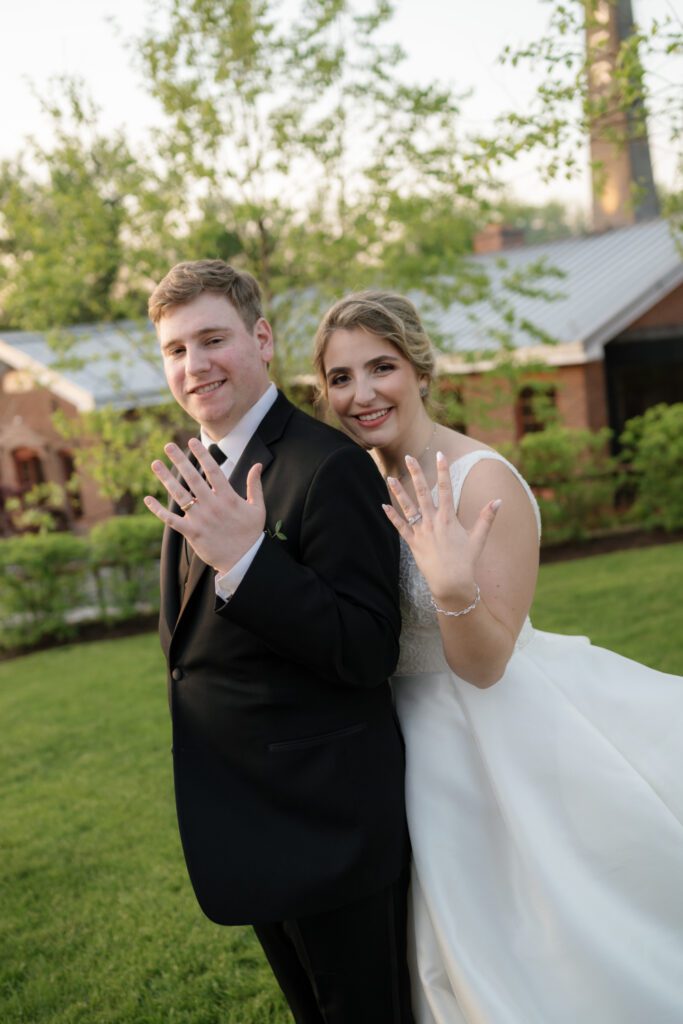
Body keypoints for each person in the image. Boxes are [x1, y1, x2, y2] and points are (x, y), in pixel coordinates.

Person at [313, 289, 683, 1024]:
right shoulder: (353, 484)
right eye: (340, 378)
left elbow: (487, 665)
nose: (361, 394)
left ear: (421, 370)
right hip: (400, 736)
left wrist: (451, 588)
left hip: (492, 727)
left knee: (544, 929)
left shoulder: (482, 480)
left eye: (381, 367)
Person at [143, 261, 414, 1024]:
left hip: (328, 830)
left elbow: (367, 649)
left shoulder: (328, 467)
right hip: (251, 820)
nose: (194, 365)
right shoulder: (196, 466)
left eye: (212, 339)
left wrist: (249, 562)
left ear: (261, 339)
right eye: (175, 350)